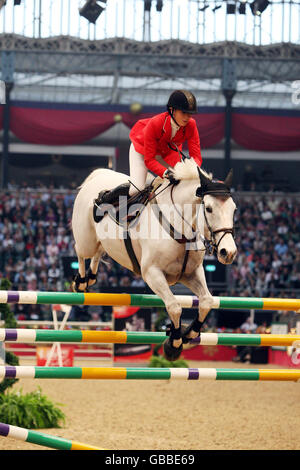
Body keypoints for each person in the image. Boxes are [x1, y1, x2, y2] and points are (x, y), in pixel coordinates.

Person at [99, 90, 203, 204]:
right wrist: (166, 173)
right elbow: (149, 160)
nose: (187, 117)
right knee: (136, 189)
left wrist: (192, 170)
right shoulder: (155, 123)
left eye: (190, 114)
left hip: (167, 153)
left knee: (179, 185)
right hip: (142, 150)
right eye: (184, 113)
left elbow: (196, 157)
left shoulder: (191, 125)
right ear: (172, 110)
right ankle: (106, 198)